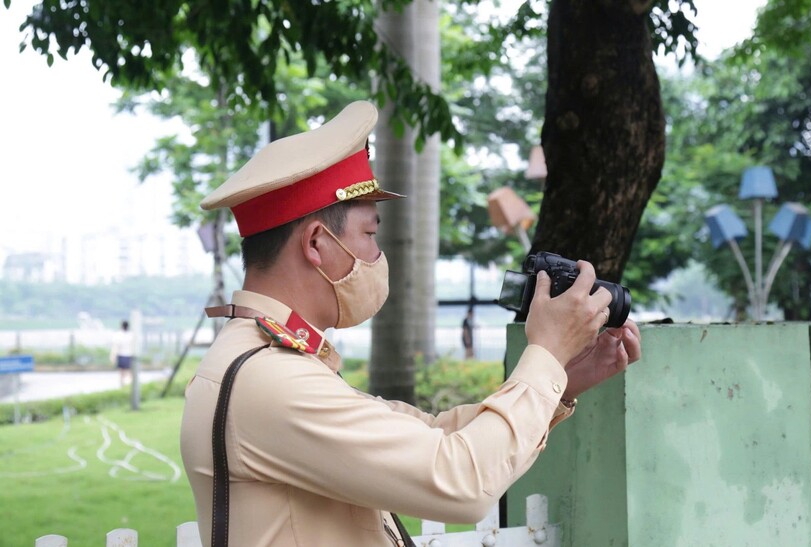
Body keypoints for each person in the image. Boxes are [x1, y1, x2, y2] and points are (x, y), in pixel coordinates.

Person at [179, 101, 642, 547]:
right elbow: (461, 482)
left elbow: (437, 433)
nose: (378, 256)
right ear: (317, 242)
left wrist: (560, 380)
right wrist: (544, 355)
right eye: (369, 234)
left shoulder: (272, 362)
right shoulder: (270, 379)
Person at [110, 320, 134, 387]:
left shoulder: (118, 335)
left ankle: (122, 385)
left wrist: (113, 357)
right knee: (130, 372)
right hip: (130, 355)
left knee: (122, 373)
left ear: (121, 326)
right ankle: (131, 385)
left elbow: (115, 347)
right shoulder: (131, 335)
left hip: (121, 355)